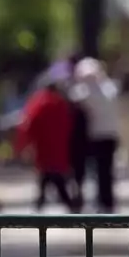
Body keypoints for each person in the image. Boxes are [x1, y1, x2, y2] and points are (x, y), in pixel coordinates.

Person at [15, 65, 79, 212]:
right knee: (54, 177)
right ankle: (63, 205)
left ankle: (43, 205)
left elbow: (28, 124)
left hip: (43, 149)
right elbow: (68, 126)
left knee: (48, 178)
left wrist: (24, 146)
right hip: (58, 149)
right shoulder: (61, 103)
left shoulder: (38, 102)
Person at [70, 57, 121, 212]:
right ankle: (106, 201)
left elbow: (74, 97)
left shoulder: (85, 92)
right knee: (105, 171)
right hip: (110, 135)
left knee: (98, 171)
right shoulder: (110, 88)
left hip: (97, 136)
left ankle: (103, 201)